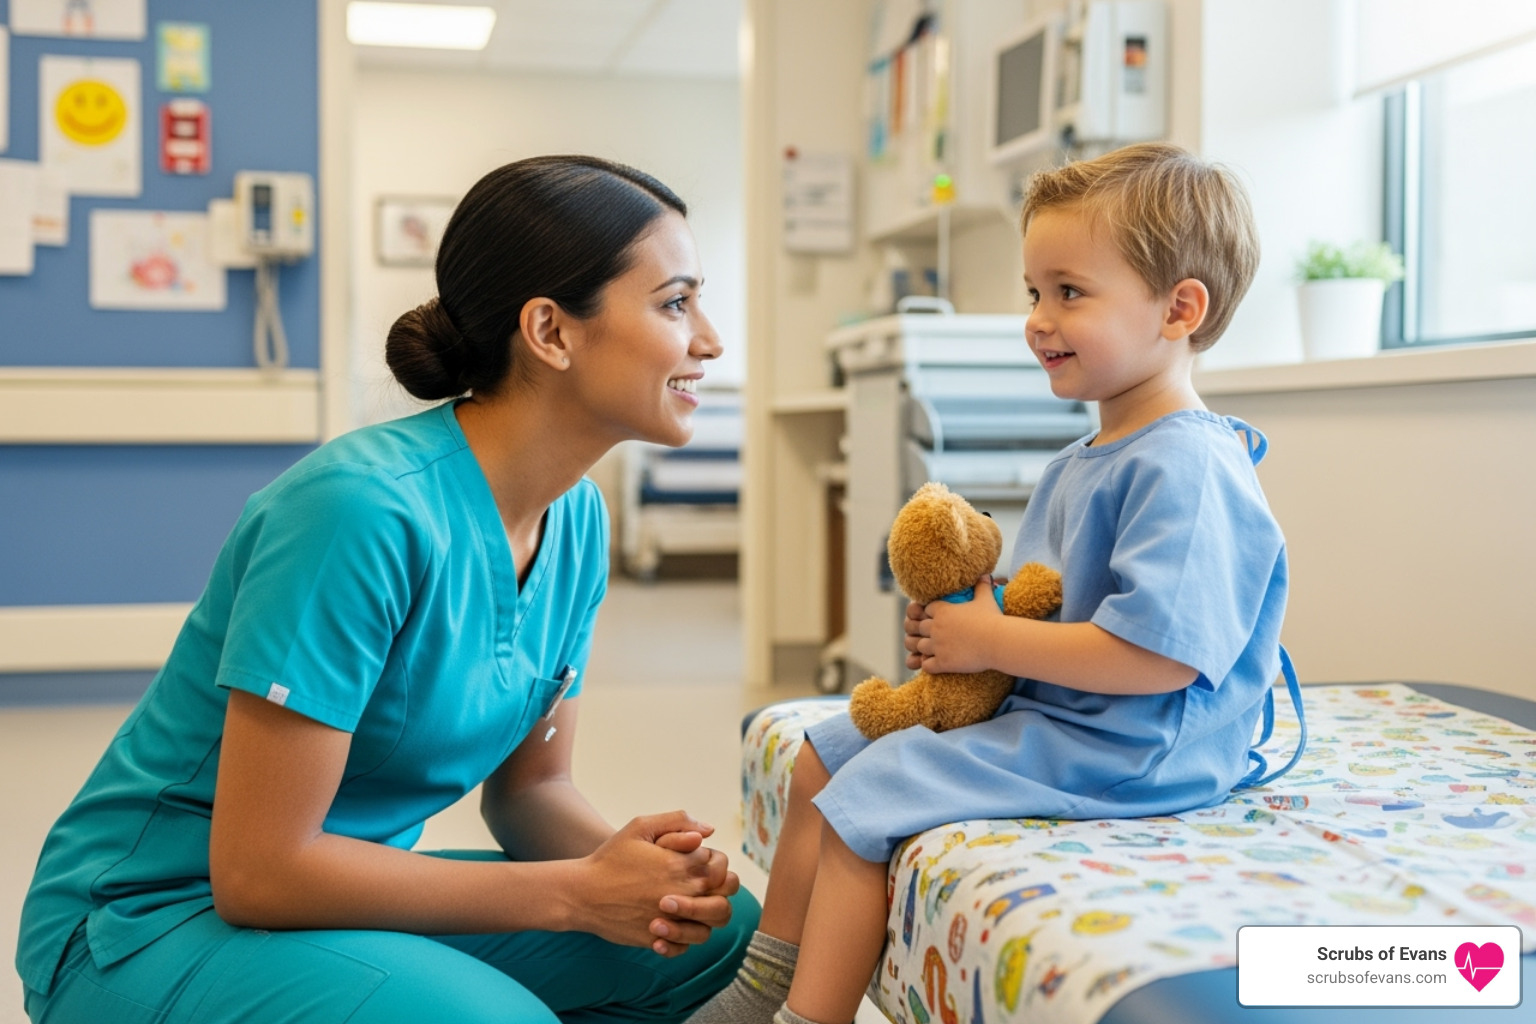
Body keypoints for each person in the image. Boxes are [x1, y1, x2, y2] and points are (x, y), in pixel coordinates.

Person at [17, 155, 758, 1024]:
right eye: (675, 303)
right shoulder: (358, 511)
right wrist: (577, 897)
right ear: (552, 332)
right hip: (152, 920)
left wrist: (639, 880)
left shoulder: (578, 522)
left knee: (714, 931)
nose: (709, 340)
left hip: (333, 897)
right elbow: (259, 871)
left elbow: (529, 795)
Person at [688, 142, 1295, 1024]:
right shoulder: (1087, 458)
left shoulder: (1190, 467)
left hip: (1133, 747)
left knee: (868, 801)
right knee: (824, 753)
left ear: (1179, 308)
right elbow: (1054, 599)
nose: (1038, 319)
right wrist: (972, 628)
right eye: (1034, 293)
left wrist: (991, 640)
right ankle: (762, 981)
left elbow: (1159, 660)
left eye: (1070, 292)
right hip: (1068, 712)